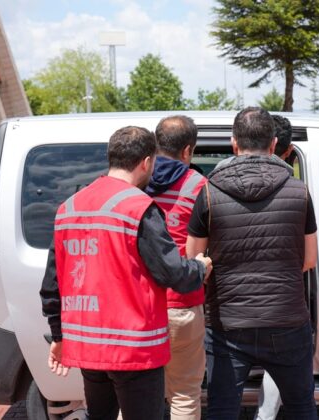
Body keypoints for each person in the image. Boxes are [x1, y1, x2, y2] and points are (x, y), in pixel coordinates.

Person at [39, 126, 212, 420]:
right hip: (133, 348)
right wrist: (199, 267)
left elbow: (53, 283)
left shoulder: (69, 206)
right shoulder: (139, 207)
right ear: (146, 162)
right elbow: (173, 273)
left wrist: (58, 335)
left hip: (89, 345)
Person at [187, 107, 319, 420]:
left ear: (234, 143)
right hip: (287, 319)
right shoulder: (299, 191)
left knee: (222, 409)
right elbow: (309, 259)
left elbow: (194, 261)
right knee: (301, 406)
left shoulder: (208, 192)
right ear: (274, 144)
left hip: (228, 323)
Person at [145, 116, 208, 420]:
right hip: (182, 303)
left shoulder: (135, 180)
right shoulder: (198, 185)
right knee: (184, 393)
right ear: (187, 150)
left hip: (140, 306)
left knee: (135, 396)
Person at [254, 113, 293, 420]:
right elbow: (308, 258)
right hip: (281, 295)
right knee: (279, 358)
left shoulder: (215, 187)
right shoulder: (296, 190)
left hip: (235, 297)